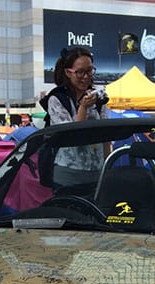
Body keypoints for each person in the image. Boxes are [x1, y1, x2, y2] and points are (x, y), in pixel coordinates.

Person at [39, 46, 110, 187]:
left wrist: (107, 165)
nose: (86, 77)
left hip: (97, 171)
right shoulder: (57, 99)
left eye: (90, 71)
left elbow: (106, 136)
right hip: (68, 172)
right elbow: (70, 135)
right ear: (67, 72)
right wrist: (83, 108)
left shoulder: (98, 98)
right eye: (80, 72)